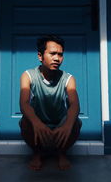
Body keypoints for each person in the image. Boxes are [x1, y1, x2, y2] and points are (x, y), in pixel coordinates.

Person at [19, 35, 82, 171]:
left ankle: (61, 153)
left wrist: (68, 125)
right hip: (39, 122)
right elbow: (24, 103)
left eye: (60, 54)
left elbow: (74, 104)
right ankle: (37, 153)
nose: (57, 58)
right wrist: (36, 123)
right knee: (25, 121)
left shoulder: (68, 78)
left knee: (76, 122)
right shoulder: (28, 75)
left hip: (59, 122)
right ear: (40, 56)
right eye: (52, 53)